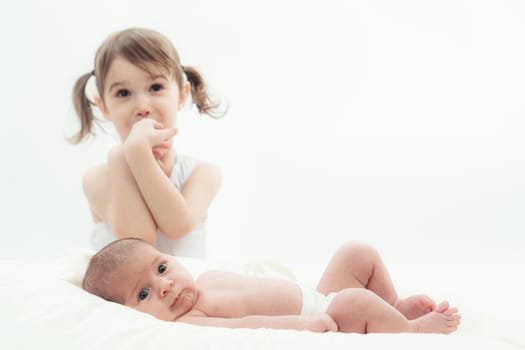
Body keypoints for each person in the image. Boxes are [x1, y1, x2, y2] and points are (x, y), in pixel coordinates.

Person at [82, 238, 461, 334]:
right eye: (144, 293)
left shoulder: (207, 278)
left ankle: (390, 305)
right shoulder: (190, 320)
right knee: (355, 302)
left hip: (318, 296)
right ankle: (408, 331)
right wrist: (303, 326)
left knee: (356, 253)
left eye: (162, 267)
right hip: (327, 316)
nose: (163, 286)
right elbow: (246, 326)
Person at [70, 28, 224, 258]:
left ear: (181, 95)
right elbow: (139, 240)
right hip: (124, 293)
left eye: (155, 88)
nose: (142, 106)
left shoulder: (202, 174)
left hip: (184, 290)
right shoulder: (98, 179)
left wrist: (138, 156)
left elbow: (177, 226)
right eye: (123, 93)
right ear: (104, 107)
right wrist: (125, 157)